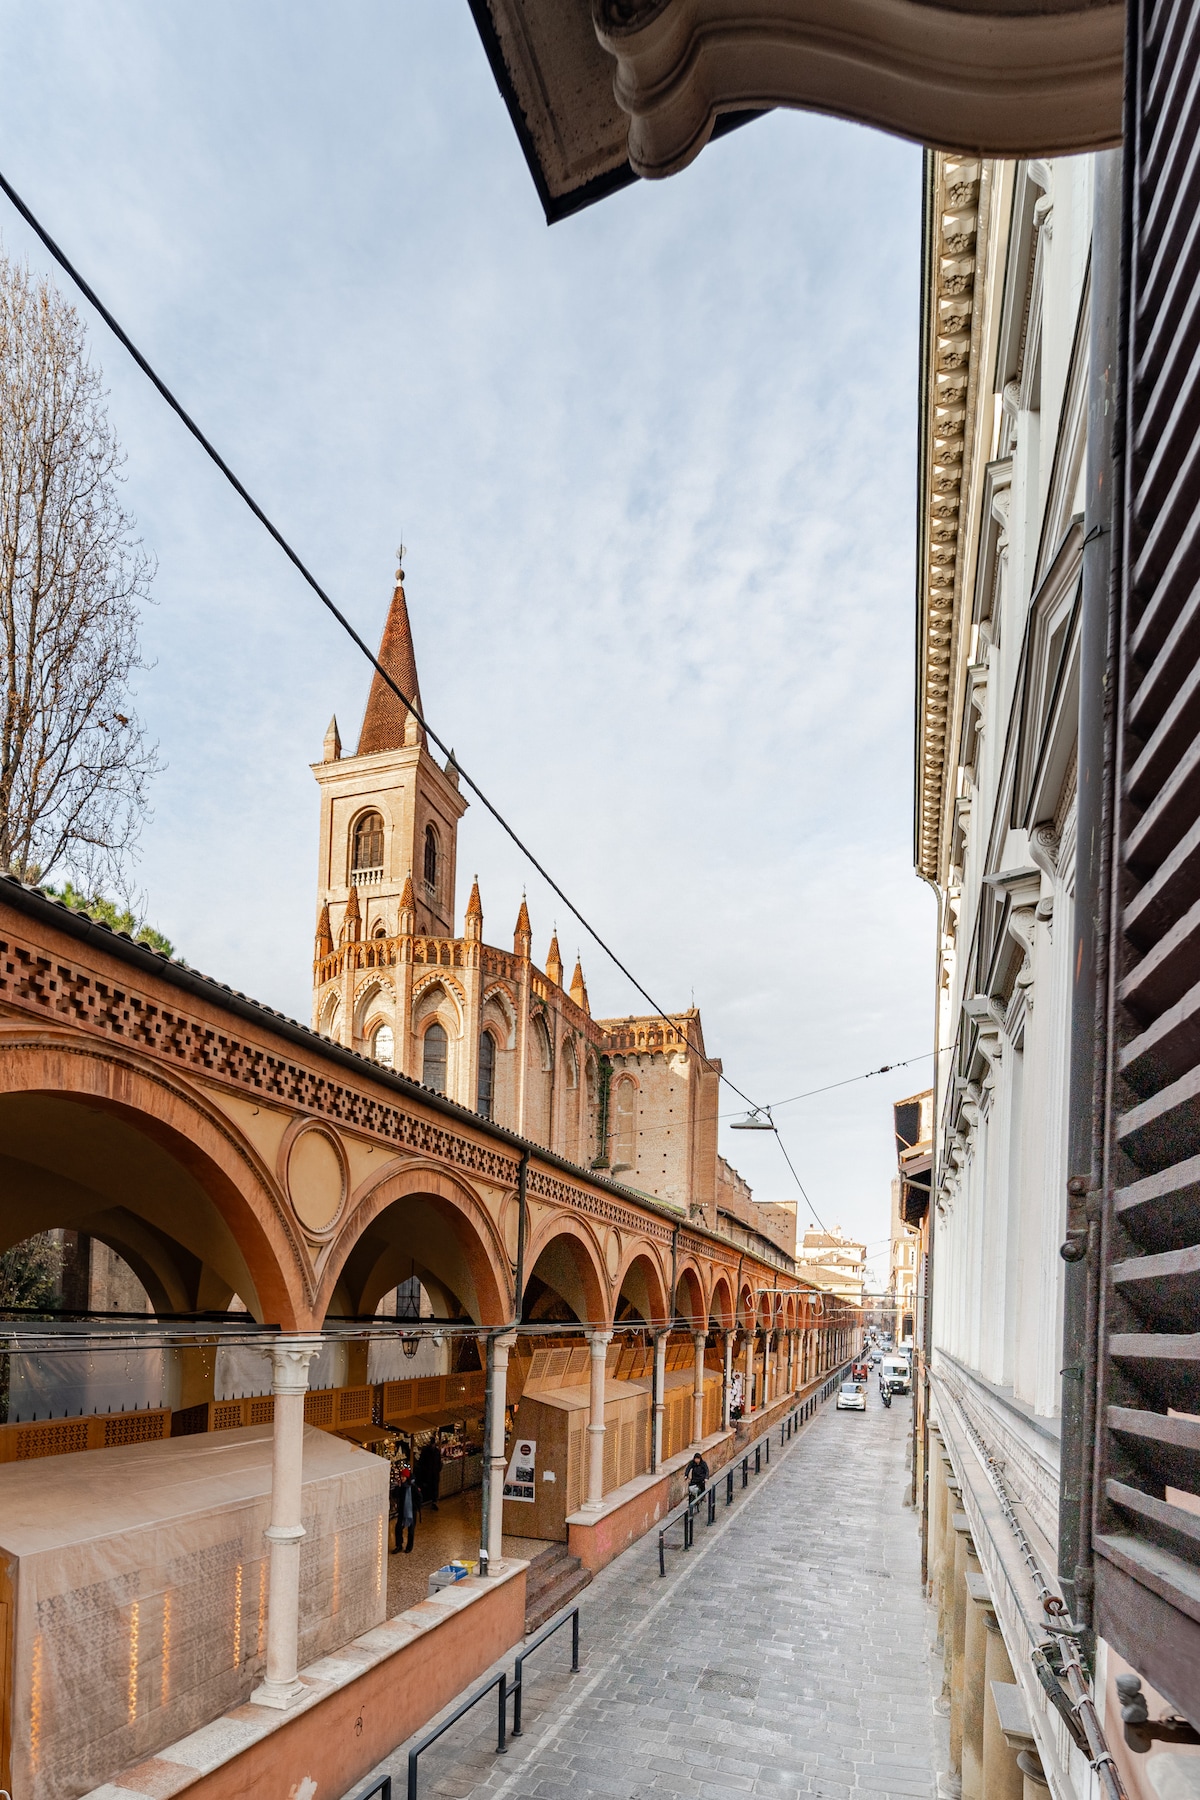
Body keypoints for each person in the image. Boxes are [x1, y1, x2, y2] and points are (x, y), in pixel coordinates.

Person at [393, 1464, 421, 1553]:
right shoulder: (401, 1487)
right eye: (401, 1476)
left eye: (403, 1477)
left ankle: (409, 1546)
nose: (402, 1478)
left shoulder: (413, 1487)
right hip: (402, 1510)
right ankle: (399, 1545)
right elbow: (395, 1495)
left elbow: (419, 1498)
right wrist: (399, 1486)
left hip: (411, 1511)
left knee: (411, 1530)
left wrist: (414, 1506)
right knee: (398, 1528)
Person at [416, 1438, 443, 1512]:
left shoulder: (430, 1451)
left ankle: (433, 1501)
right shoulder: (433, 1452)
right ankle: (431, 1501)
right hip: (430, 1474)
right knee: (431, 1487)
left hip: (432, 1474)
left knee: (433, 1488)